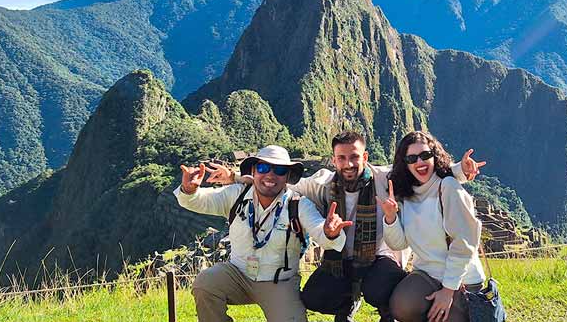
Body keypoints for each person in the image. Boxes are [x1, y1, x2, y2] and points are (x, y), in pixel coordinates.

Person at [207, 131, 485, 322]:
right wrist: (235, 176)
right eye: (342, 158)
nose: (349, 164)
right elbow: (280, 181)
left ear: (365, 157)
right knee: (314, 297)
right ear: (333, 160)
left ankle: (387, 310)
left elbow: (419, 171)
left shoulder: (384, 178)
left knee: (383, 287)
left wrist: (460, 170)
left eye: (355, 157)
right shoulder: (323, 184)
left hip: (379, 258)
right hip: (341, 258)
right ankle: (347, 303)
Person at [174, 145, 351, 322]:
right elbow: (199, 201)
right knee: (206, 284)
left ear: (288, 176)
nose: (270, 175)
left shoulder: (298, 205)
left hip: (280, 282)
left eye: (280, 170)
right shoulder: (237, 195)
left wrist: (330, 233)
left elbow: (320, 232)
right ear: (253, 171)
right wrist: (189, 190)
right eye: (263, 167)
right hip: (238, 274)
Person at [380, 131, 486, 322]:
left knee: (445, 316)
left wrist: (448, 291)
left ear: (434, 156)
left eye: (425, 155)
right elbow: (399, 243)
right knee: (402, 305)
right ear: (405, 164)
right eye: (412, 158)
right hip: (427, 275)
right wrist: (390, 218)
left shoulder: (448, 187)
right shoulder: (406, 195)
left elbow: (465, 242)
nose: (420, 162)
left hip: (461, 279)